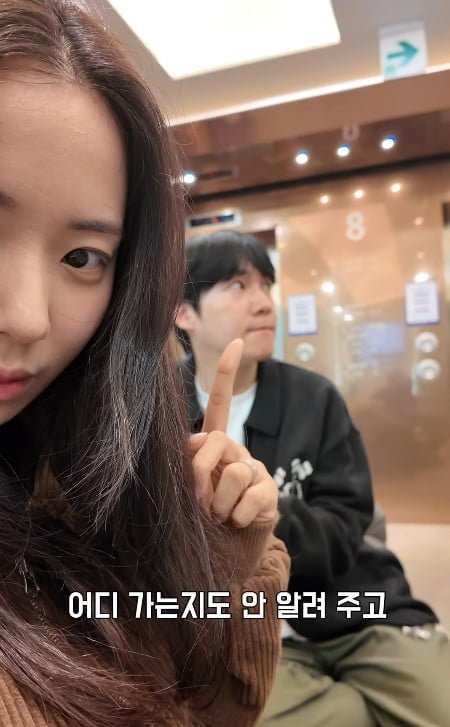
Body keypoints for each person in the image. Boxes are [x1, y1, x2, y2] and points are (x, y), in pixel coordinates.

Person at [0, 2, 290, 725]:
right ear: (181, 310)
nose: (29, 317)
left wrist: (221, 557)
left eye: (82, 257)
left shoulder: (81, 463)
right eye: (237, 287)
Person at [176, 229, 450, 727]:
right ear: (184, 313)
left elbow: (345, 530)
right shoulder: (156, 409)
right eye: (238, 285)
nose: (264, 302)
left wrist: (265, 512)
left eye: (266, 284)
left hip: (355, 609)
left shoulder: (314, 398)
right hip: (246, 634)